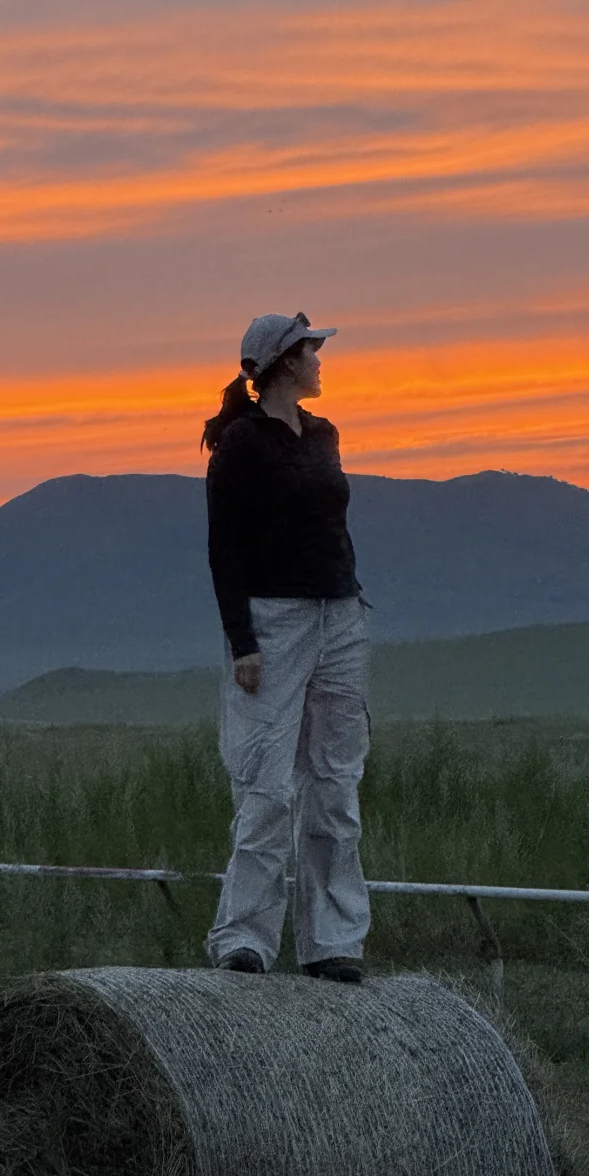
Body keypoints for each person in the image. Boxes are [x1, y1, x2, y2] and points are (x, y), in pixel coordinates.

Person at [201, 311, 372, 985]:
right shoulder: (241, 445)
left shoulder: (323, 435)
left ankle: (334, 941)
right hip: (274, 622)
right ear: (281, 363)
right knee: (267, 784)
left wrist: (349, 602)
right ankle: (244, 937)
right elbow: (224, 549)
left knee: (334, 784)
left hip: (341, 616)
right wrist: (242, 640)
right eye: (311, 348)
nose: (321, 358)